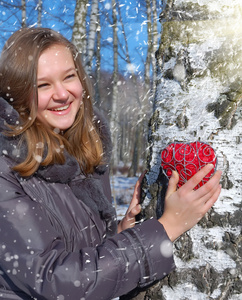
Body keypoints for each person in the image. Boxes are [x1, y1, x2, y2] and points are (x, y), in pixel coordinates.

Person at [0, 27, 222, 300]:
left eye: (69, 77)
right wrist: (167, 228)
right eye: (42, 85)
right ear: (19, 94)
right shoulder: (5, 167)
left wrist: (119, 233)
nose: (62, 94)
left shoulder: (82, 151)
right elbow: (54, 279)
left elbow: (78, 250)